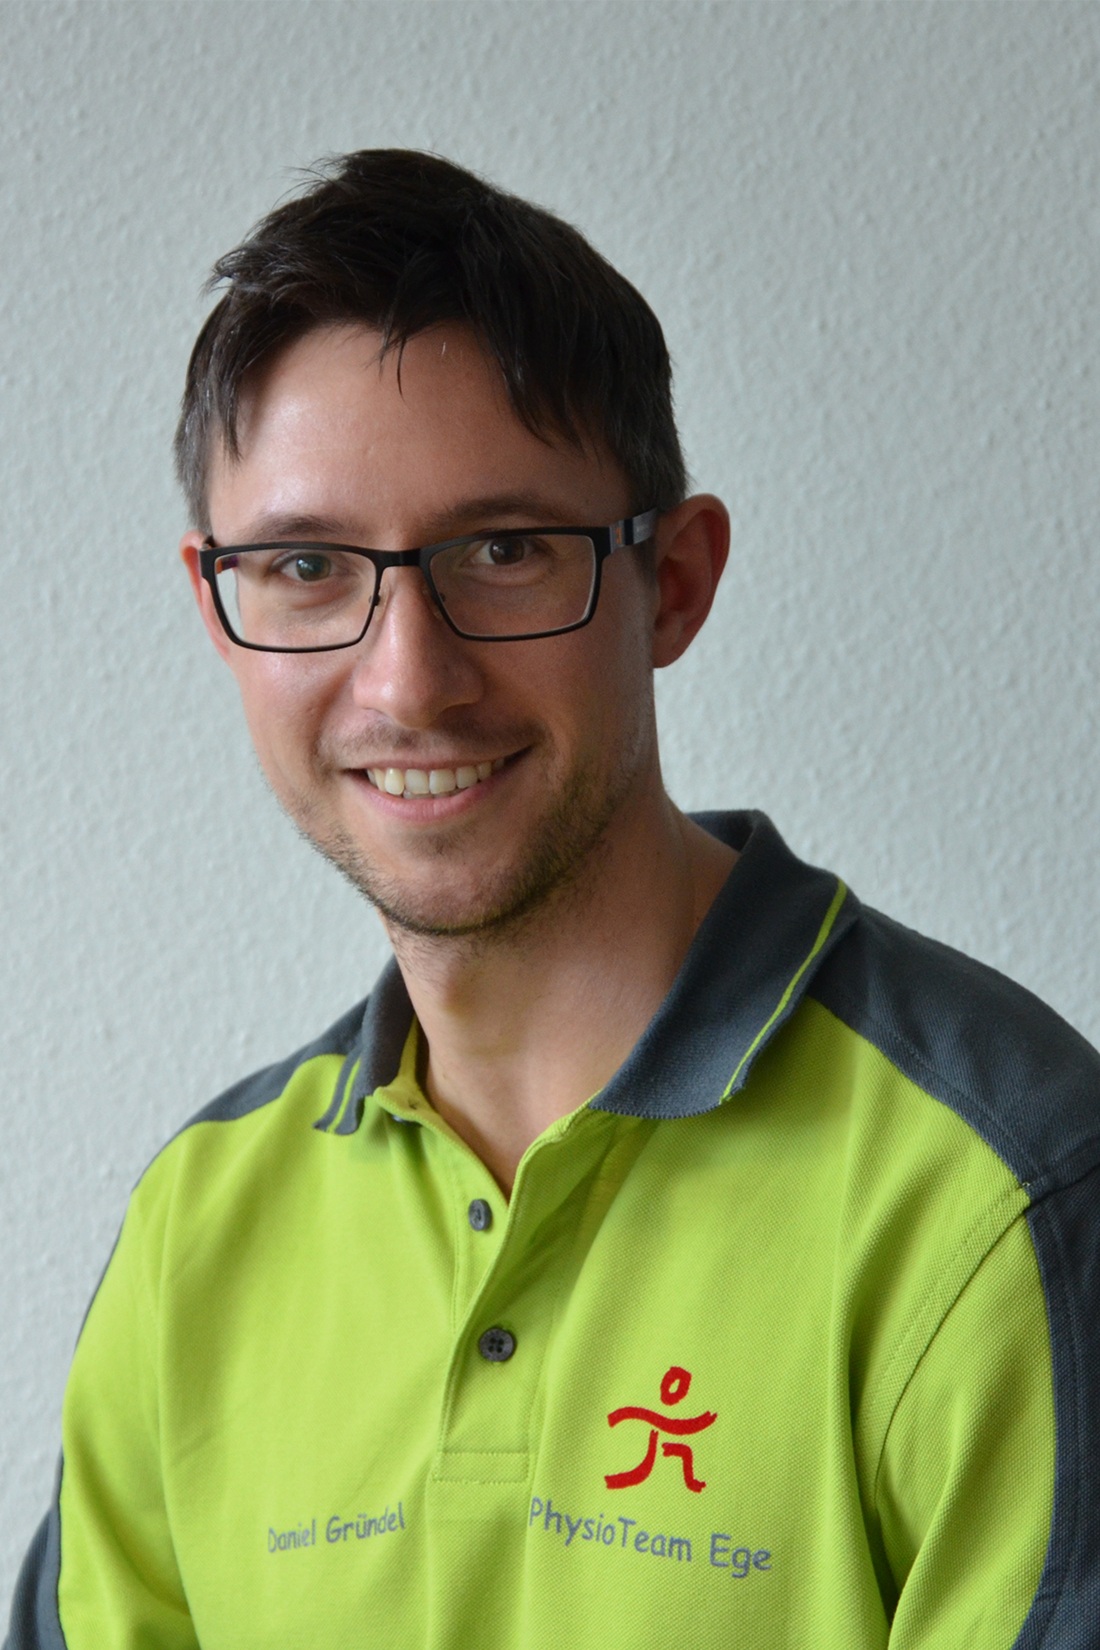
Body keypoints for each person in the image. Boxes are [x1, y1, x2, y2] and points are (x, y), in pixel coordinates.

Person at [6, 148, 1099, 1650]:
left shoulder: (1003, 1192)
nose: (408, 681)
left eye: (504, 551)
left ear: (677, 581)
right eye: (309, 565)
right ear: (219, 602)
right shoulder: (196, 1231)